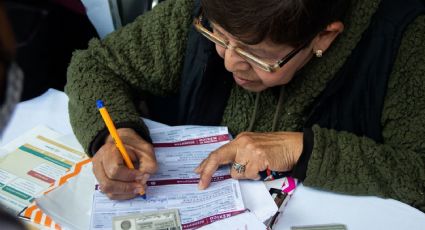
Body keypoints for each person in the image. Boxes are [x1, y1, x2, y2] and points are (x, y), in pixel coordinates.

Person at [65, 0, 425, 212]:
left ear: (324, 36)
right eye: (218, 38)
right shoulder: (209, 9)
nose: (229, 63)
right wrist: (115, 135)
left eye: (257, 55)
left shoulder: (405, 40)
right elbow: (94, 67)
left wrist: (303, 149)